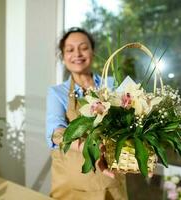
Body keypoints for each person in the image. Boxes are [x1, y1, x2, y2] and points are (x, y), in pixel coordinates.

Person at [46, 27, 128, 200]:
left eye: (83, 47)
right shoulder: (57, 93)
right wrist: (89, 146)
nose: (77, 54)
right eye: (70, 50)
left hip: (110, 181)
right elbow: (56, 132)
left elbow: (132, 122)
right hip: (71, 186)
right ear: (63, 56)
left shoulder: (112, 84)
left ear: (93, 51)